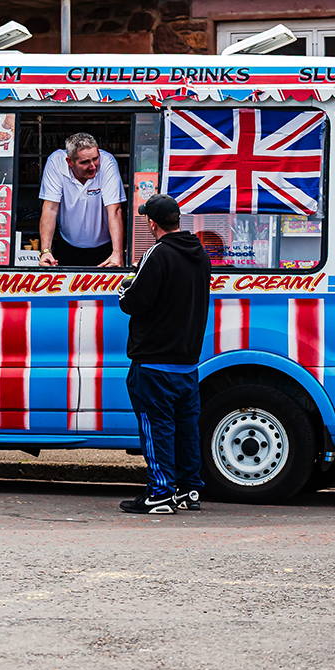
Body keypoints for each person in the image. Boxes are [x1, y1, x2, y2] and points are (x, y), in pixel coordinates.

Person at [117, 194, 211, 515]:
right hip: (187, 362)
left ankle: (160, 493)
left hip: (154, 361)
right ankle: (189, 489)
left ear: (152, 223)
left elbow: (134, 301)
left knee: (156, 428)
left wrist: (124, 290)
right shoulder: (199, 253)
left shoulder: (156, 253)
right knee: (186, 428)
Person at [38, 132, 125, 267]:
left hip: (105, 247)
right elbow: (50, 208)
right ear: (69, 162)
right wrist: (45, 251)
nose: (93, 166)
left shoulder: (108, 162)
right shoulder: (56, 162)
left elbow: (115, 209)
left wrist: (118, 254)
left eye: (95, 159)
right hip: (67, 244)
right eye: (85, 162)